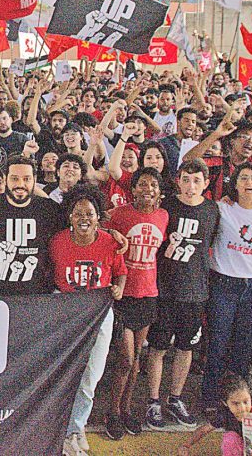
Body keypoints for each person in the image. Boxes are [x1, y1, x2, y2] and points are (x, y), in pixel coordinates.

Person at [144, 158, 220, 430]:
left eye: (197, 180)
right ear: (178, 180)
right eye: (186, 180)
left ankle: (175, 398)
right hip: (165, 289)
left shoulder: (212, 210)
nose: (191, 186)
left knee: (185, 347)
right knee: (158, 347)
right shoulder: (166, 206)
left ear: (206, 183)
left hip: (195, 291)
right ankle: (153, 400)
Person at [53, 185, 126, 456]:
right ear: (69, 216)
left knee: (90, 375)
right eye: (78, 213)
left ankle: (76, 428)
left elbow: (120, 272)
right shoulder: (57, 241)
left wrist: (119, 286)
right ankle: (61, 428)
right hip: (67, 314)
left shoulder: (110, 242)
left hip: (98, 314)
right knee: (64, 374)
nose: (84, 218)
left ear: (99, 217)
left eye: (90, 213)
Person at [202, 164, 252, 417]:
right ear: (235, 183)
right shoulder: (222, 208)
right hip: (224, 284)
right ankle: (211, 398)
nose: (249, 182)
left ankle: (240, 402)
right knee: (218, 345)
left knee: (243, 347)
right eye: (243, 177)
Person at [104, 168, 168, 439]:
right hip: (123, 296)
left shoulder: (163, 216)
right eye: (142, 184)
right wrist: (110, 232)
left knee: (137, 360)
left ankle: (127, 409)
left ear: (159, 191)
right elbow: (100, 227)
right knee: (125, 360)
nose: (148, 189)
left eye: (153, 184)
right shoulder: (120, 214)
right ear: (134, 188)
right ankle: (112, 411)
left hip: (148, 295)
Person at [0, 156, 65, 296]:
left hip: (36, 296)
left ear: (34, 180)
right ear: (5, 179)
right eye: (15, 179)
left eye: (27, 179)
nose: (20, 184)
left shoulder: (50, 209)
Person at [179, 374, 252, 456]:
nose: (242, 408)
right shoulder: (225, 415)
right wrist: (186, 445)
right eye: (236, 403)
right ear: (225, 403)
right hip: (241, 450)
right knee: (230, 438)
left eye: (246, 401)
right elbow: (204, 430)